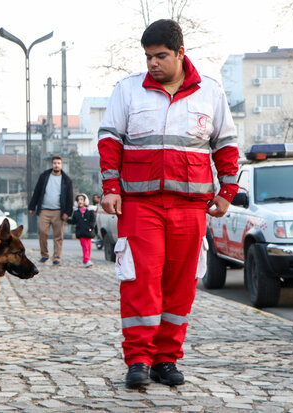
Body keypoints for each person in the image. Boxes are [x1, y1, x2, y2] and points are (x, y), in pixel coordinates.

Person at [98, 19, 239, 388]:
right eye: (147, 57)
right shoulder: (127, 90)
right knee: (139, 281)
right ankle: (139, 360)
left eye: (160, 56)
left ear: (180, 53)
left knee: (181, 284)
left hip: (190, 207)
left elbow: (225, 143)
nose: (153, 64)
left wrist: (227, 192)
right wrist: (110, 187)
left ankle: (166, 359)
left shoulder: (211, 91)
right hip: (140, 204)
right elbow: (110, 140)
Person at [28, 156, 74, 265]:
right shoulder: (44, 176)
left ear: (61, 165)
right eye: (54, 163)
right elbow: (37, 192)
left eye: (58, 163)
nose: (56, 165)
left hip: (59, 211)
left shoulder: (66, 180)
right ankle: (44, 254)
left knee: (58, 235)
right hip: (44, 210)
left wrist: (68, 212)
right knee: (42, 232)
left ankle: (57, 257)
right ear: (51, 164)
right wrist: (32, 206)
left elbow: (70, 198)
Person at [67, 194, 96, 267]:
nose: (80, 201)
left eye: (81, 199)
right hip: (81, 233)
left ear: (85, 201)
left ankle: (86, 260)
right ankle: (87, 260)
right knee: (85, 247)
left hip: (89, 232)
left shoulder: (90, 211)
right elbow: (73, 221)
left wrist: (91, 227)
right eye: (78, 200)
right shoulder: (76, 212)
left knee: (89, 247)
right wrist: (67, 220)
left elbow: (93, 220)